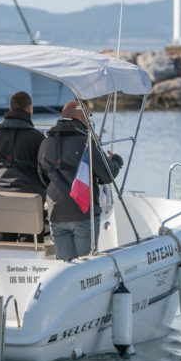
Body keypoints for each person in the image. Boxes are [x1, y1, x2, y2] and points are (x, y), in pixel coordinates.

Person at [37, 100, 123, 261]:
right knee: (86, 267)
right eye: (88, 117)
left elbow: (42, 179)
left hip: (57, 214)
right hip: (84, 214)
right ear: (78, 116)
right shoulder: (87, 142)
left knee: (65, 267)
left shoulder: (45, 143)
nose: (89, 122)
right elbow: (107, 175)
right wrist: (117, 160)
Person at [0, 91, 47, 242]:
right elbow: (46, 173)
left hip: (1, 200)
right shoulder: (38, 138)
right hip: (30, 200)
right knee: (31, 248)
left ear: (10, 108)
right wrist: (40, 192)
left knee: (3, 247)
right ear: (30, 109)